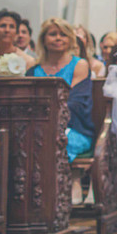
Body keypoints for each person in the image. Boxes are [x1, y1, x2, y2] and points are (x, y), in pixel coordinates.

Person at [28, 18, 94, 161]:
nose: (58, 38)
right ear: (44, 39)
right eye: (53, 34)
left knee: (56, 143)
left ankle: (53, 182)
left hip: (74, 128)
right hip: (39, 128)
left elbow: (75, 102)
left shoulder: (79, 65)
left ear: (70, 39)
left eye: (63, 34)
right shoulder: (34, 69)